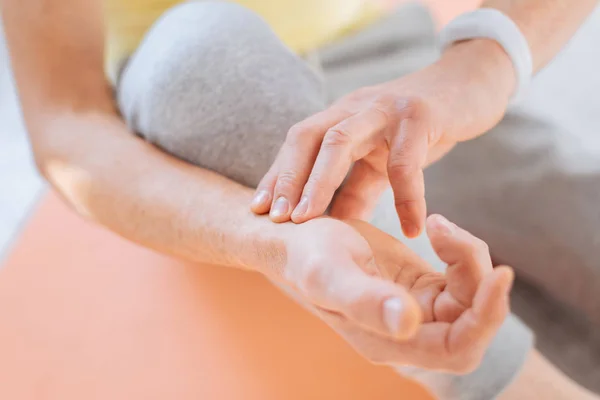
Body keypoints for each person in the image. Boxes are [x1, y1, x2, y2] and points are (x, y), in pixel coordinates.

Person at [1, 0, 597, 399]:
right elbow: (65, 121)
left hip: (404, 76)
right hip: (203, 116)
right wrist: (268, 241)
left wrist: (479, 68)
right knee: (200, 55)